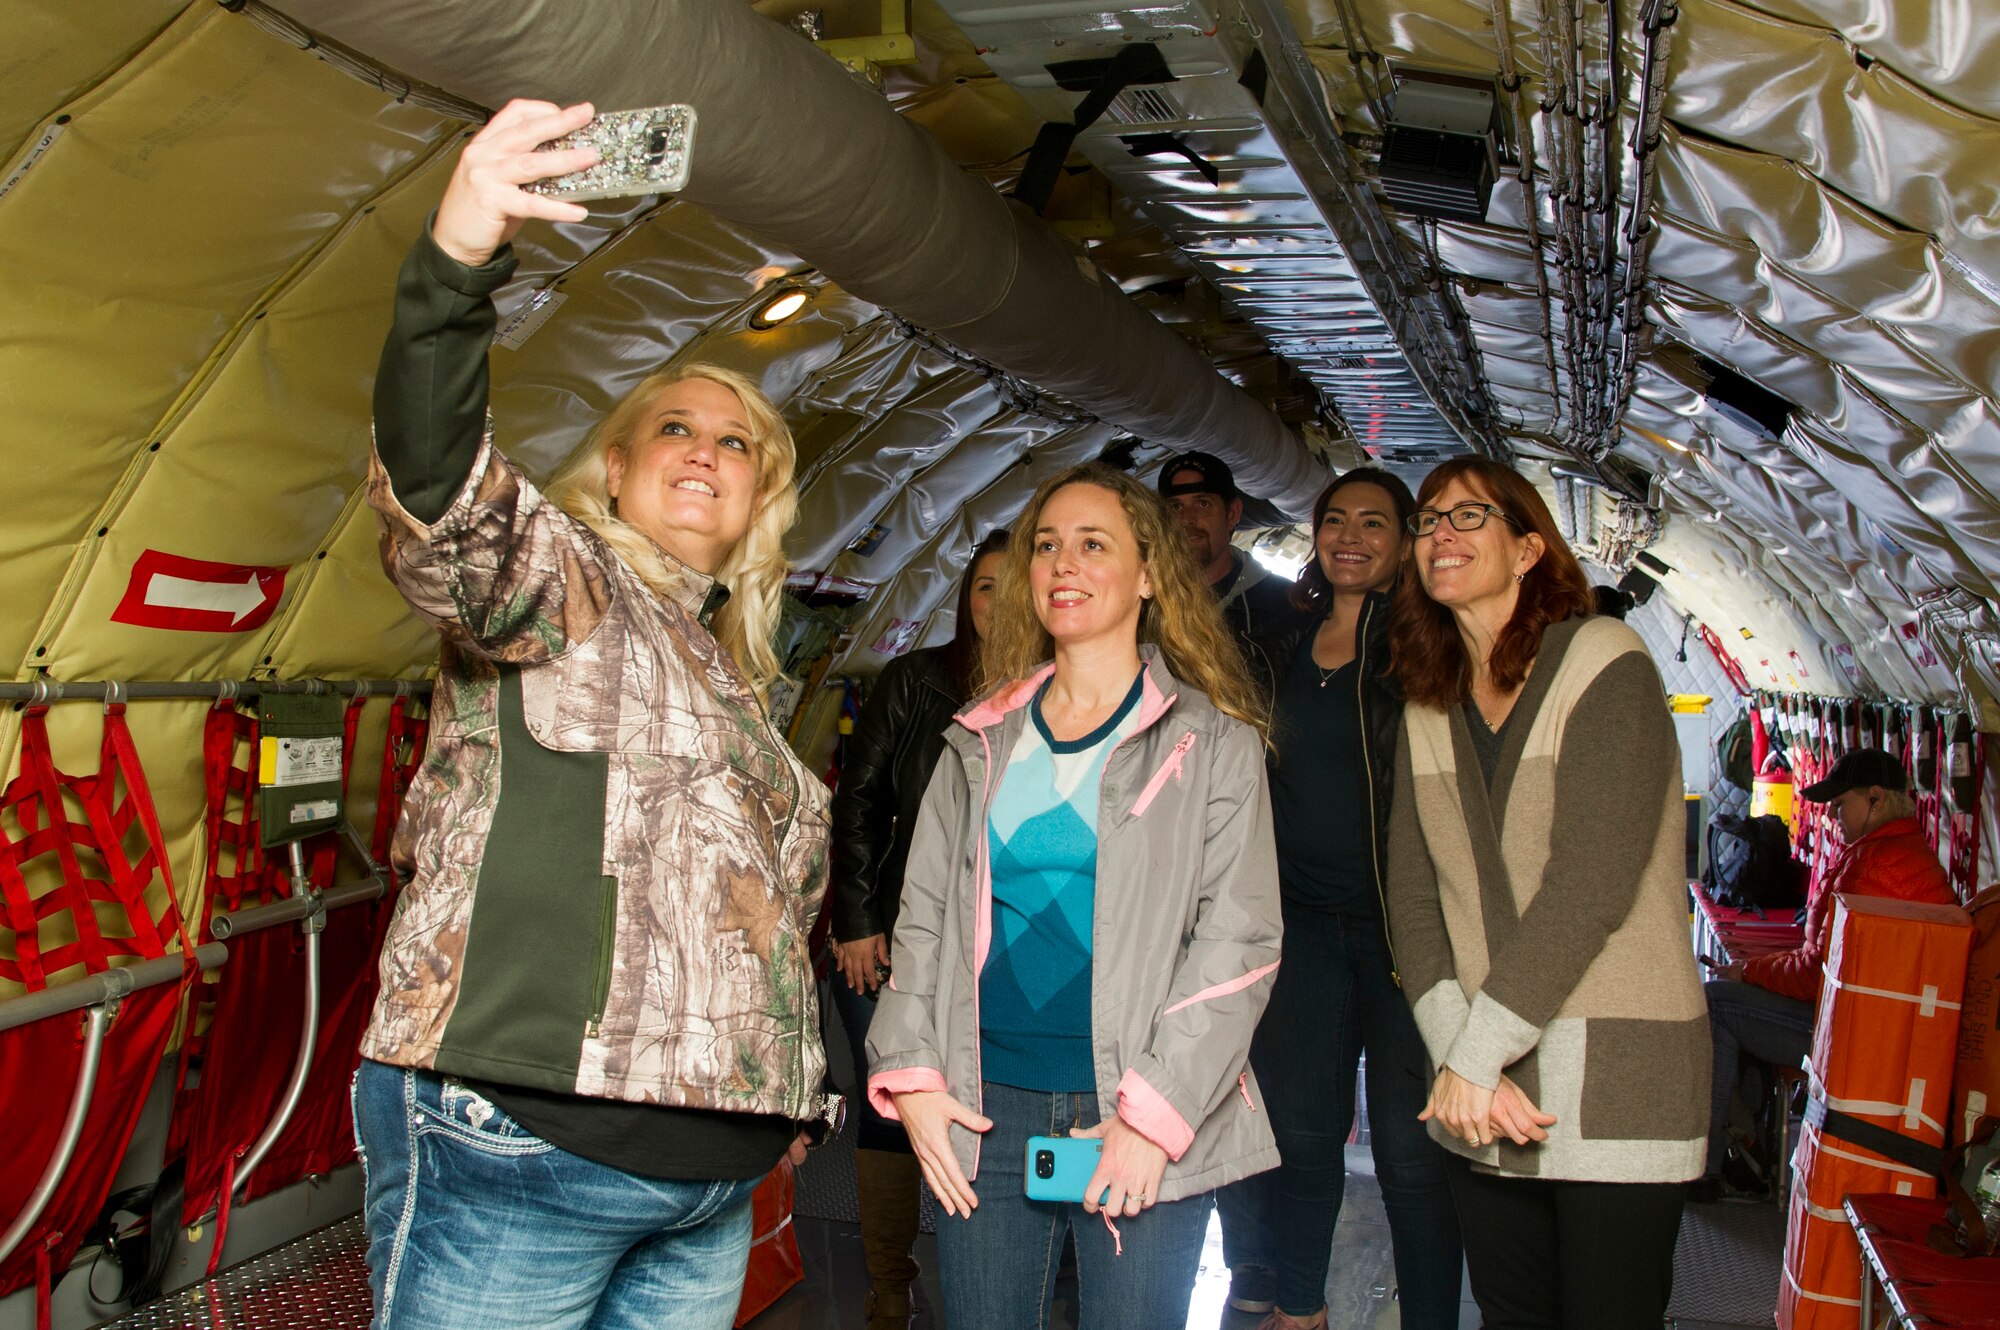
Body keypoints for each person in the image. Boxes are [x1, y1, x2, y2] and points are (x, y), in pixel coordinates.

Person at [351, 100, 836, 1330]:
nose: (703, 449)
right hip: (530, 1135)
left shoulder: (739, 682)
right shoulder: (564, 586)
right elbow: (439, 494)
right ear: (610, 467)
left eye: (738, 444)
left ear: (756, 505)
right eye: (670, 425)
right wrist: (457, 258)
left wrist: (777, 1099)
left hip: (701, 1187)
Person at [866, 462, 1284, 1330]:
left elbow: (1239, 941)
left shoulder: (1211, 744)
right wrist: (913, 1079)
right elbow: (924, 922)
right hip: (984, 1105)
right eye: (1047, 546)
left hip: (1135, 1105)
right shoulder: (975, 742)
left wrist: (1154, 1115)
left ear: (1148, 575)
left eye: (1094, 544)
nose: (1065, 564)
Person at [1383, 456, 1708, 1329]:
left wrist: (1471, 1056)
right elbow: (1411, 899)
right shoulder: (1428, 700)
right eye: (1427, 522)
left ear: (1528, 549)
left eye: (1467, 517)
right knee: (1510, 1314)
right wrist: (1459, 1056)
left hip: (1613, 1075)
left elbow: (1591, 883)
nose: (1439, 535)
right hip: (1480, 1085)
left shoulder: (1606, 663)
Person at [1236, 468, 1462, 1330]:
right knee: (1300, 1135)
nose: (1351, 537)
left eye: (1374, 523)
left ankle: (1430, 1317)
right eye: (1335, 520)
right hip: (1300, 929)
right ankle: (1300, 1306)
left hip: (1401, 929)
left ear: (1405, 541)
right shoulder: (1281, 649)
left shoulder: (1427, 650)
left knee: (1410, 1154)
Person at [827, 529, 1008, 1328]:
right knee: (890, 1103)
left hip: (1003, 943)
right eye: (984, 588)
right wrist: (858, 920)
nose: (999, 605)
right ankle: (889, 1284)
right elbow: (858, 801)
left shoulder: (1067, 692)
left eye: (1017, 585)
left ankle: (1009, 1274)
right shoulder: (917, 680)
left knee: (994, 1102)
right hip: (895, 933)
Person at [1696, 747, 1954, 1201]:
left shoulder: (1870, 869)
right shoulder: (1906, 855)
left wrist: (1746, 974)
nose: (1833, 817)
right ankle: (1746, 1146)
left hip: (1847, 1032)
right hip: (1879, 1026)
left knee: (1717, 1002)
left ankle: (1707, 1165)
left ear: (1875, 799)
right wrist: (1752, 973)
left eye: (1840, 805)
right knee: (1735, 1001)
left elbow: (1818, 974)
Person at [1158, 450, 1303, 648]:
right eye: (1175, 507)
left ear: (1232, 514)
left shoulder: (1284, 605)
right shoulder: (1143, 600)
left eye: (1202, 503)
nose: (1186, 518)